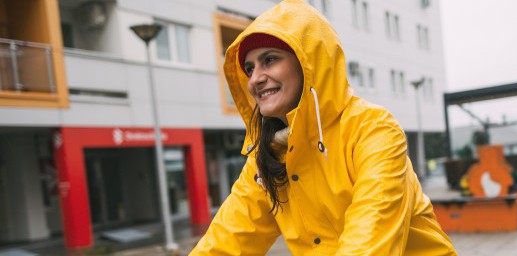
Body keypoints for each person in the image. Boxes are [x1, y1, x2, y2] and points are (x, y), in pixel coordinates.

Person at [191, 0, 457, 255]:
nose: (255, 79)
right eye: (249, 68)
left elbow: (370, 236)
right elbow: (227, 238)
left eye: (270, 60)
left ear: (308, 63)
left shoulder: (373, 130)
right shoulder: (268, 156)